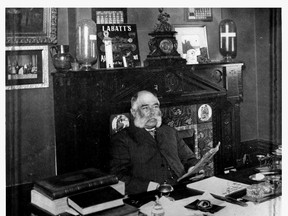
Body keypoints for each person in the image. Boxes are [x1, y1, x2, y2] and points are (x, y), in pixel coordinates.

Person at [109, 90, 199, 195]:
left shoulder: (169, 131)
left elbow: (189, 158)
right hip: (149, 196)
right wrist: (150, 187)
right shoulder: (122, 139)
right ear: (134, 112)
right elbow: (118, 176)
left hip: (182, 189)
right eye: (145, 108)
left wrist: (194, 169)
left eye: (155, 106)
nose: (152, 112)